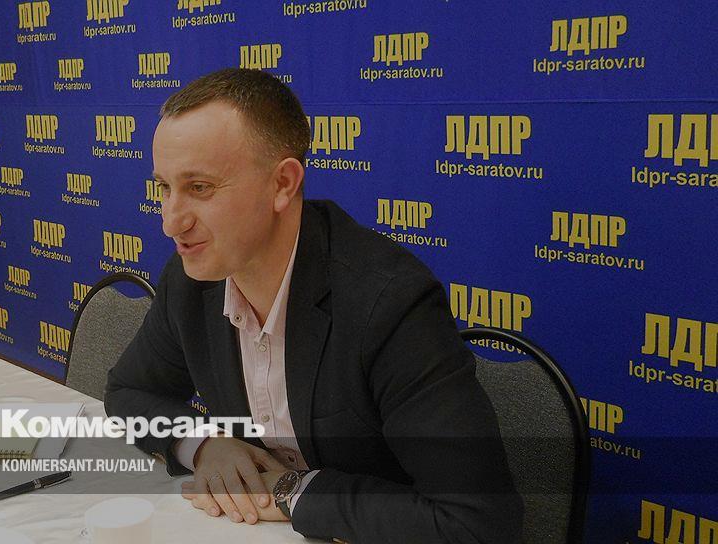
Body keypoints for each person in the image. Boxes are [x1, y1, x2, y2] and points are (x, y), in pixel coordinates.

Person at [105, 68, 523, 543]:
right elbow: (128, 392)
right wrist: (203, 444)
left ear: (282, 184)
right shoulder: (191, 279)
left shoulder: (388, 302)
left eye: (199, 188)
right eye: (164, 187)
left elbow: (478, 522)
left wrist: (291, 491)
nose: (171, 222)